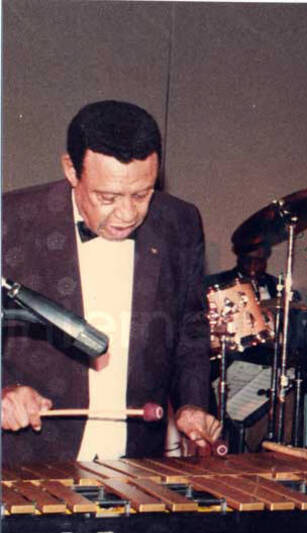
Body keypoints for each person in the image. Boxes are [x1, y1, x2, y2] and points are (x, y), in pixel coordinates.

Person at [1, 100, 220, 464]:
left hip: (134, 458)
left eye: (142, 194)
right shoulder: (11, 220)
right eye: (108, 197)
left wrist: (192, 404)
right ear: (71, 170)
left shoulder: (179, 222)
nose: (128, 214)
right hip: (28, 458)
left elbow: (190, 328)